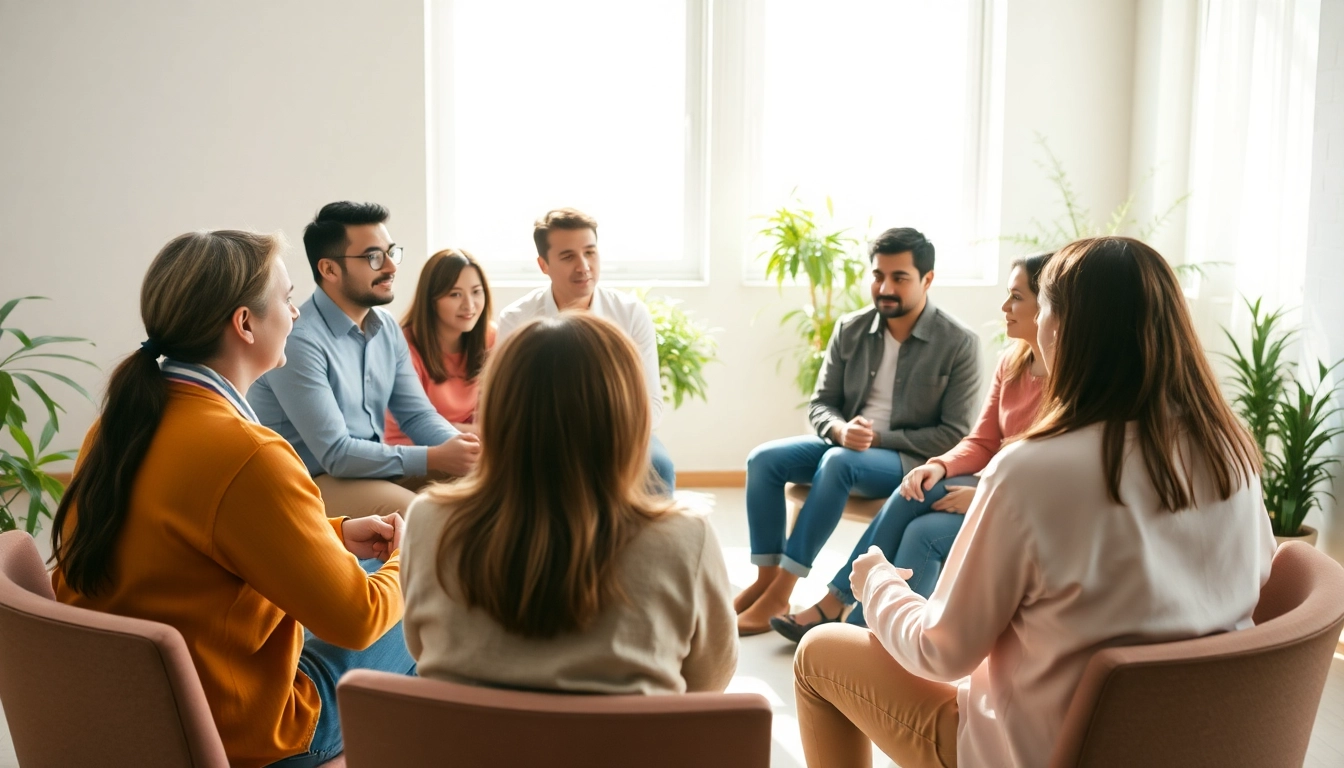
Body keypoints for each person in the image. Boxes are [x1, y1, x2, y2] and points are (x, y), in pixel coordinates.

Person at [793, 236, 1277, 768]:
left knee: (820, 652)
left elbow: (941, 651)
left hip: (1042, 751)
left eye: (1040, 306)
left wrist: (876, 583)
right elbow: (1261, 582)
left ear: (1066, 328)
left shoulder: (1031, 471)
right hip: (1197, 740)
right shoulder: (1231, 447)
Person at [50, 230, 415, 768]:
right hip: (250, 733)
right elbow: (357, 620)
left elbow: (184, 541)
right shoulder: (249, 452)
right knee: (424, 599)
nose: (295, 314)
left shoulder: (117, 427)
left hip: (143, 714)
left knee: (365, 574)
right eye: (287, 300)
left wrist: (334, 533)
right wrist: (413, 558)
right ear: (245, 323)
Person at [401, 312, 737, 694]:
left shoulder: (429, 521)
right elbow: (708, 683)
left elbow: (420, 649)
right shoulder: (686, 539)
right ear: (629, 415)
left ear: (497, 412)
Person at [772, 252, 1053, 641]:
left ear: (1051, 304)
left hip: (1015, 502)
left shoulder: (1072, 380)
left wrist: (982, 495)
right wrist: (937, 466)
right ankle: (855, 629)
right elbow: (983, 440)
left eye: (1017, 297)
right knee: (916, 487)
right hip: (991, 486)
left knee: (922, 533)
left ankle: (854, 629)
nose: (1004, 306)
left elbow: (1051, 472)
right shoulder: (1012, 362)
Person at [735, 227, 981, 636]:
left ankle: (783, 590)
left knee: (838, 462)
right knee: (763, 460)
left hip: (906, 459)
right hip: (847, 445)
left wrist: (876, 440)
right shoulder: (850, 329)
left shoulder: (958, 343)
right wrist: (839, 426)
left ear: (927, 280)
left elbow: (954, 435)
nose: (884, 287)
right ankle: (764, 580)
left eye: (899, 277)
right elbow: (820, 404)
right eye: (877, 275)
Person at [248, 202, 480, 520]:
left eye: (391, 252)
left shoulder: (385, 328)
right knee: (424, 515)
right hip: (313, 482)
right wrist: (436, 457)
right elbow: (337, 454)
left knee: (494, 484)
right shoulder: (299, 340)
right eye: (374, 257)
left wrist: (464, 450)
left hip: (371, 471)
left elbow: (417, 416)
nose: (391, 267)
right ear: (329, 269)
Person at [495, 208, 674, 492]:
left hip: (619, 434)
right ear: (544, 264)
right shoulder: (517, 319)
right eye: (568, 257)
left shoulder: (630, 314)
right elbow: (505, 403)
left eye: (590, 252)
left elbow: (652, 403)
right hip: (544, 436)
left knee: (658, 466)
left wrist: (610, 439)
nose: (584, 266)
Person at [384, 248, 495, 442]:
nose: (469, 305)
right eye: (455, 294)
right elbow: (395, 439)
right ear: (431, 300)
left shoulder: (489, 337)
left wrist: (458, 429)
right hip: (416, 454)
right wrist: (457, 433)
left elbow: (498, 420)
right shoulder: (403, 351)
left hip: (468, 446)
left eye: (477, 292)